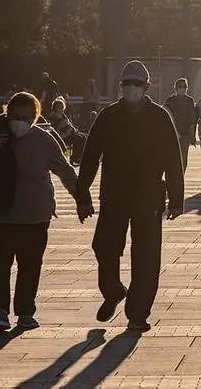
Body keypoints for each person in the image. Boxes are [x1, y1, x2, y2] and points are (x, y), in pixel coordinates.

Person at [76, 60, 184, 333]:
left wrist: (177, 198)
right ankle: (112, 291)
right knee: (104, 247)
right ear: (120, 86)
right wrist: (82, 195)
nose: (132, 89)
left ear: (146, 87)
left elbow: (173, 160)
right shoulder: (109, 116)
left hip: (148, 196)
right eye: (127, 84)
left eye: (137, 84)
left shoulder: (159, 116)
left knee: (146, 256)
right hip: (113, 194)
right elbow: (90, 156)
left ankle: (138, 313)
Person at [0, 92, 78, 331]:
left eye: (26, 117)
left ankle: (25, 312)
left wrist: (82, 198)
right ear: (7, 114)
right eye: (15, 116)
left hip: (34, 216)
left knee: (30, 265)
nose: (20, 121)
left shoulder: (44, 139)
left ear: (35, 117)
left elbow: (65, 171)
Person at [163, 78, 197, 171]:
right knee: (172, 157)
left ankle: (181, 177)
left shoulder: (189, 100)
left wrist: (192, 135)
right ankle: (172, 177)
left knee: (183, 157)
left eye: (184, 86)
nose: (183, 89)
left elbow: (192, 118)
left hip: (185, 135)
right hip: (172, 134)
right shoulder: (169, 100)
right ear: (176, 88)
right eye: (180, 87)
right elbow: (165, 116)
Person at [46, 97, 88, 166]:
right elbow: (59, 128)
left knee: (84, 136)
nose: (62, 109)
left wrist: (73, 129)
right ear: (55, 108)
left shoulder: (63, 116)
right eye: (60, 108)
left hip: (69, 133)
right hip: (62, 137)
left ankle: (80, 155)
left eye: (62, 108)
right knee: (78, 138)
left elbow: (69, 125)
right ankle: (75, 157)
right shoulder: (53, 116)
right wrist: (69, 130)